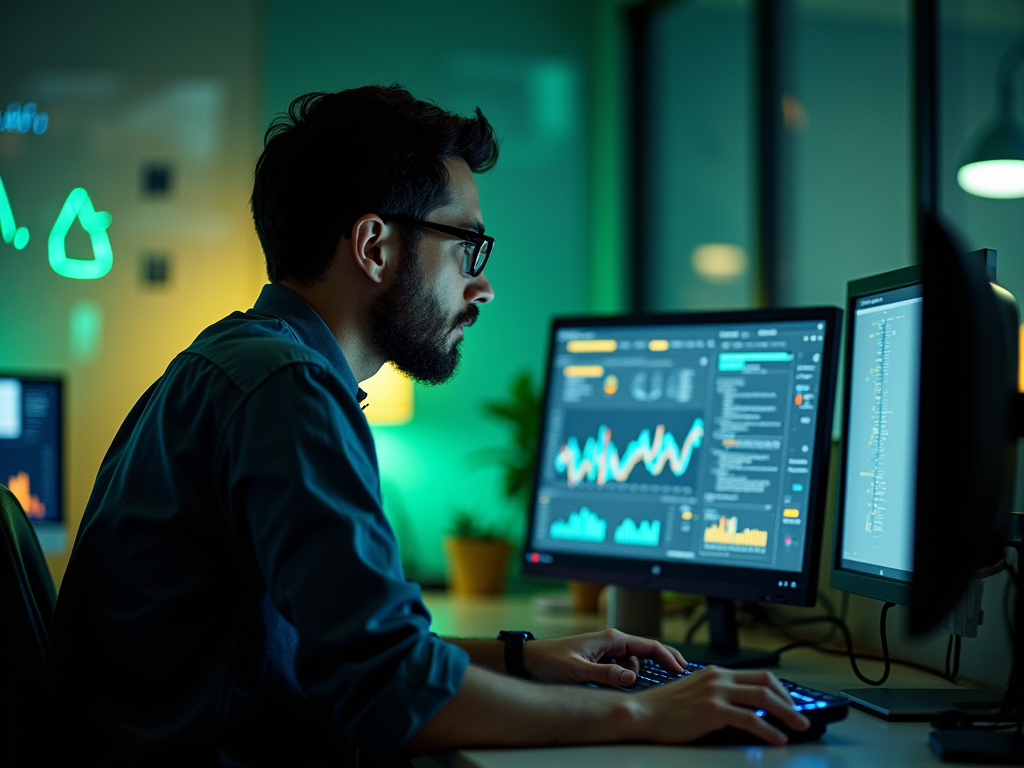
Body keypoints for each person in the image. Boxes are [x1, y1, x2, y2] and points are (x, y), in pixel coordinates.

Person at [51, 85, 809, 767]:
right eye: (466, 246)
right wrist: (642, 712)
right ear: (375, 245)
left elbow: (360, 654)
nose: (482, 286)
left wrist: (524, 659)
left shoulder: (233, 362)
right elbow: (389, 693)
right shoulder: (287, 390)